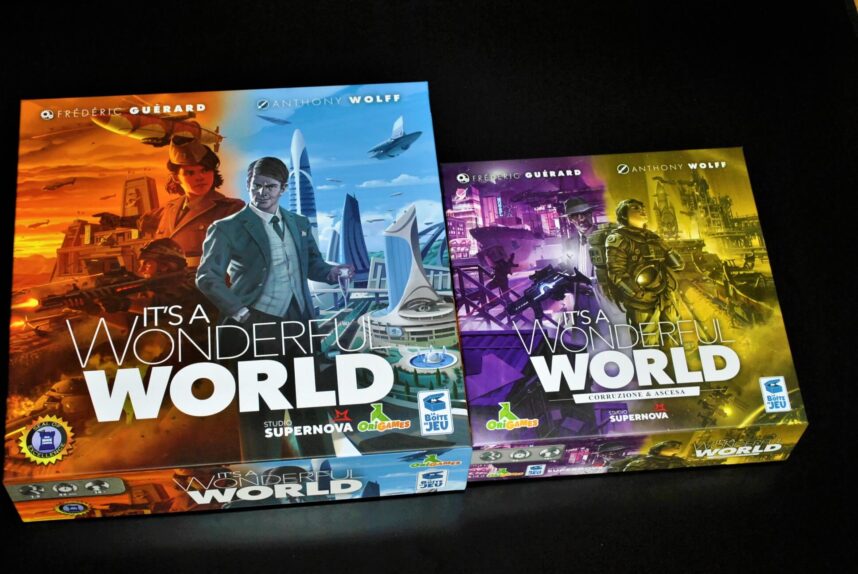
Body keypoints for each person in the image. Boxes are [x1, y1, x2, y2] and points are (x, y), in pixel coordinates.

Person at [196, 156, 353, 460]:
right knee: (261, 414)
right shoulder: (227, 228)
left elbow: (313, 265)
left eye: (269, 186)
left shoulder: (299, 223)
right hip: (255, 326)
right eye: (256, 185)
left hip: (299, 325)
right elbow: (207, 277)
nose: (262, 192)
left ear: (283, 188)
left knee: (310, 407)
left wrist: (333, 272)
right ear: (248, 184)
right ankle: (262, 475)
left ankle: (324, 468)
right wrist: (240, 313)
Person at [138, 136, 244, 268]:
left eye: (205, 170)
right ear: (176, 177)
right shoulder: (168, 209)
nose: (200, 177)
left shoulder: (231, 209)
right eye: (190, 173)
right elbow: (142, 221)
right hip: (165, 279)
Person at [605, 199, 685, 347]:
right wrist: (639, 294)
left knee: (672, 336)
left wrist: (666, 249)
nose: (642, 210)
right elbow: (616, 273)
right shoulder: (618, 238)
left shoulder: (653, 237)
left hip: (664, 295)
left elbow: (678, 265)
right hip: (640, 300)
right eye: (635, 208)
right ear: (624, 215)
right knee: (647, 341)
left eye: (642, 207)